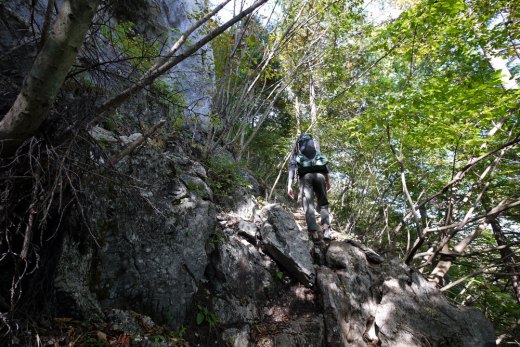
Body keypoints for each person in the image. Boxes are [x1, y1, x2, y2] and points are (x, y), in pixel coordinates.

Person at [287, 133, 332, 241]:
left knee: (308, 204)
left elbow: (292, 169)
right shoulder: (316, 152)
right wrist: (328, 181)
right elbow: (324, 166)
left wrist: (289, 186)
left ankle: (313, 232)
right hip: (320, 176)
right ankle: (326, 230)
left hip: (305, 178)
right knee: (323, 203)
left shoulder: (297, 154)